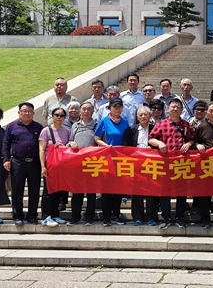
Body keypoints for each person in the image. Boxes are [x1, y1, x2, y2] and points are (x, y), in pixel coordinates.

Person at [149, 98, 195, 229]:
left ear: (181, 110)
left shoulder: (186, 125)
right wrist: (159, 143)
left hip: (181, 164)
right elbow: (151, 139)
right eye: (173, 107)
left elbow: (192, 139)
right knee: (165, 192)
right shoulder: (161, 124)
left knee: (181, 192)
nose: (175, 109)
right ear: (168, 109)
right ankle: (166, 218)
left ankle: (180, 218)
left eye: (178, 107)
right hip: (165, 163)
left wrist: (188, 144)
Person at [2, 102, 43, 226]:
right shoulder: (11, 126)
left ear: (33, 113)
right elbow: (5, 144)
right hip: (17, 162)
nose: (27, 113)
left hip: (35, 163)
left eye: (29, 111)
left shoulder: (39, 127)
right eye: (24, 111)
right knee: (17, 190)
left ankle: (32, 216)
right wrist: (6, 159)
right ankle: (17, 216)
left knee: (34, 190)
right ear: (19, 113)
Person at [94, 97, 130, 226]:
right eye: (115, 107)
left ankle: (116, 214)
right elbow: (97, 138)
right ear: (110, 108)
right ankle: (106, 217)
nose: (117, 109)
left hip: (121, 161)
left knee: (119, 190)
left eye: (119, 106)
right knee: (106, 190)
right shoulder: (104, 121)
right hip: (107, 159)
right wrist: (106, 146)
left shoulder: (125, 122)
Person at [123, 106, 159, 226]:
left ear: (150, 116)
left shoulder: (155, 129)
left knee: (151, 191)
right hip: (136, 164)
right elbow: (125, 147)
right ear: (137, 117)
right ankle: (137, 217)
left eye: (145, 114)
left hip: (151, 164)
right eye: (140, 115)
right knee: (136, 192)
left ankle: (151, 217)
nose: (143, 117)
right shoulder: (130, 130)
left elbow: (160, 145)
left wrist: (152, 148)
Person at [67, 101, 97, 226]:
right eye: (83, 109)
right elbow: (70, 140)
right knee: (77, 191)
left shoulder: (96, 125)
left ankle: (89, 217)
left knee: (91, 192)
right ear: (80, 111)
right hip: (77, 163)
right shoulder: (75, 125)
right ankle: (75, 216)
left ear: (92, 111)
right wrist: (71, 143)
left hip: (92, 162)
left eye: (88, 109)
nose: (85, 111)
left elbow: (100, 141)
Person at [39, 106, 70, 227]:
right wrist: (43, 166)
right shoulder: (46, 130)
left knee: (58, 190)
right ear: (52, 116)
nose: (59, 118)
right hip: (49, 164)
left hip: (61, 165)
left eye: (62, 116)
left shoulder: (66, 131)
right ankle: (46, 216)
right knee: (48, 191)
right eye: (56, 115)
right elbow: (41, 149)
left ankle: (55, 214)